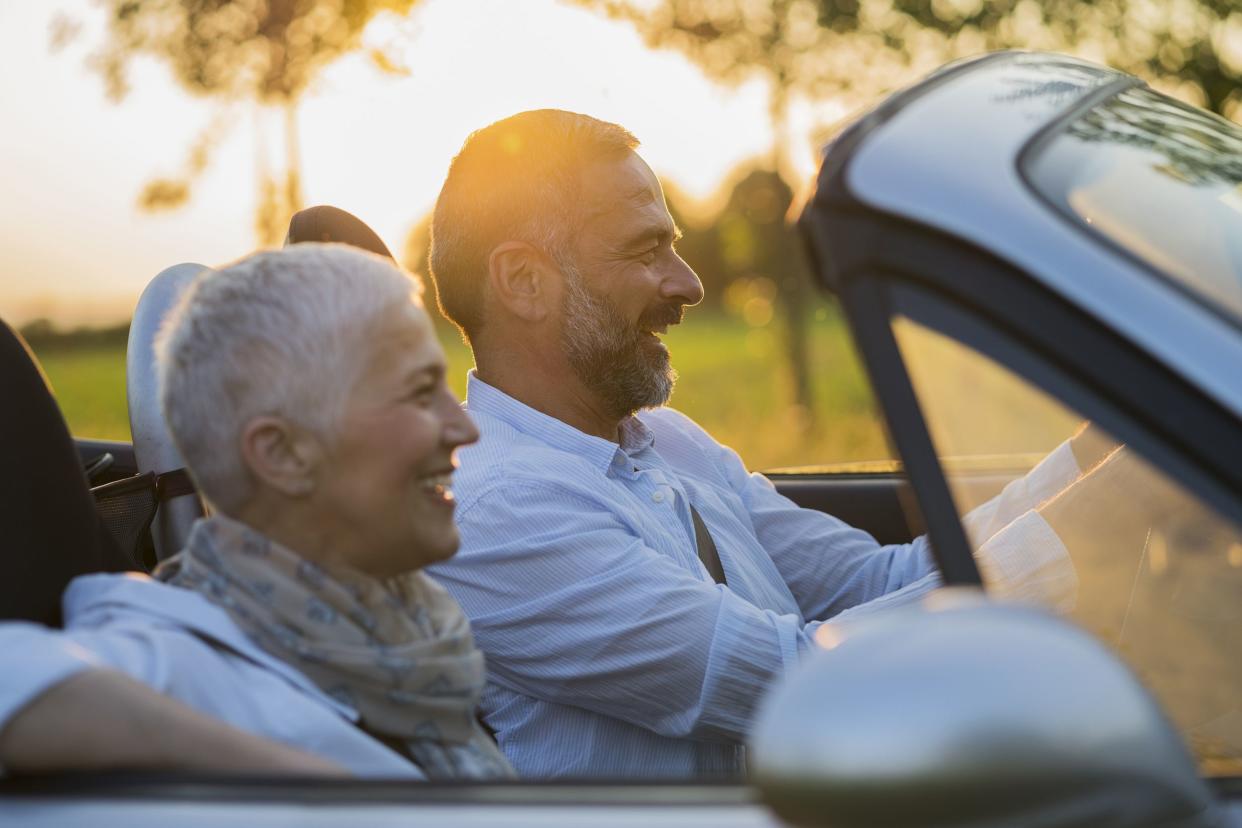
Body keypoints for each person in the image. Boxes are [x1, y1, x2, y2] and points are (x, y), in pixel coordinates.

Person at [423, 109, 1110, 779]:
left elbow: (878, 584)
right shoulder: (498, 511)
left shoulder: (667, 440)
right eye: (643, 248)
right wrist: (1096, 525)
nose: (688, 283)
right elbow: (803, 681)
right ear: (523, 281)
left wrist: (1101, 458)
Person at [0, 245, 513, 780]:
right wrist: (332, 791)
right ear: (282, 455)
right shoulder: (187, 658)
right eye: (418, 393)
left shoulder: (413, 633)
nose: (465, 430)